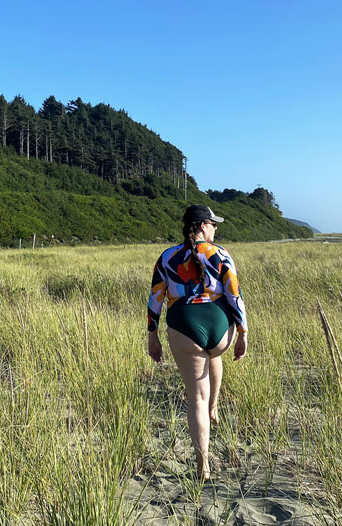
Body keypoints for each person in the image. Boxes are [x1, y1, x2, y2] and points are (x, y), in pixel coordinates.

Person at [147, 204, 248, 480]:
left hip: (184, 325)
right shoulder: (221, 254)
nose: (216, 228)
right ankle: (214, 406)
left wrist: (152, 334)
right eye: (213, 224)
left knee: (196, 399)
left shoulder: (167, 256)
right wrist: (242, 333)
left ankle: (202, 465)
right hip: (219, 327)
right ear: (203, 226)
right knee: (213, 355)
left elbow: (156, 298)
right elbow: (234, 295)